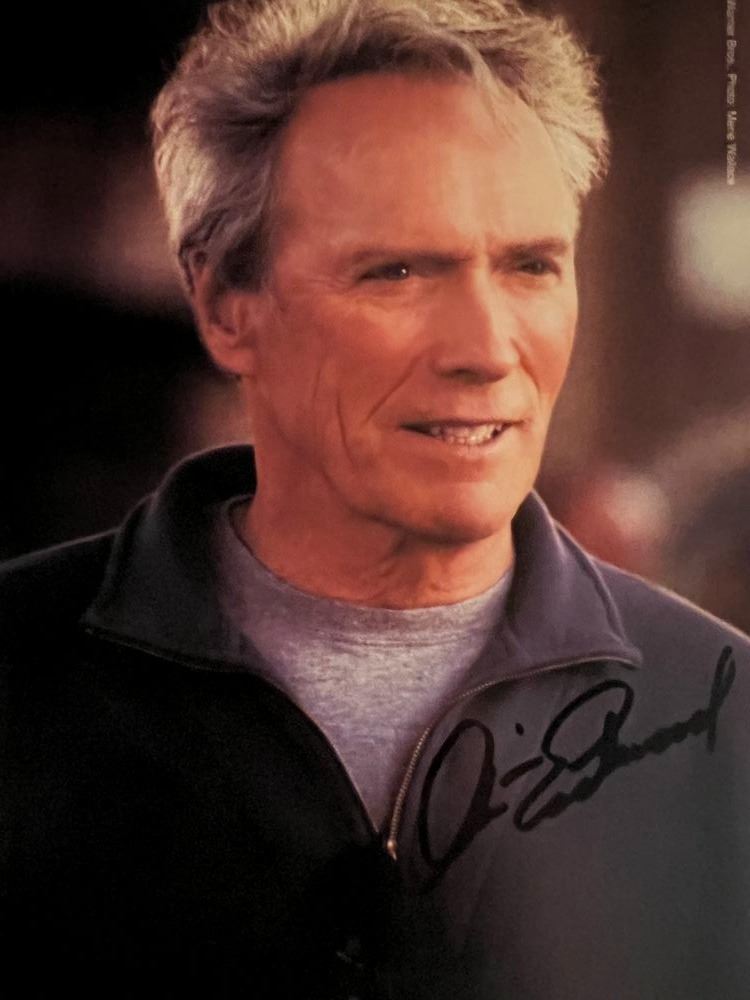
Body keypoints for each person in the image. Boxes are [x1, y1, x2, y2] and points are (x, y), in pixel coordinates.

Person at [1, 1, 749, 997]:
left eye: (531, 265)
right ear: (226, 305)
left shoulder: (727, 717)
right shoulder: (20, 682)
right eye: (396, 271)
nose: (487, 349)